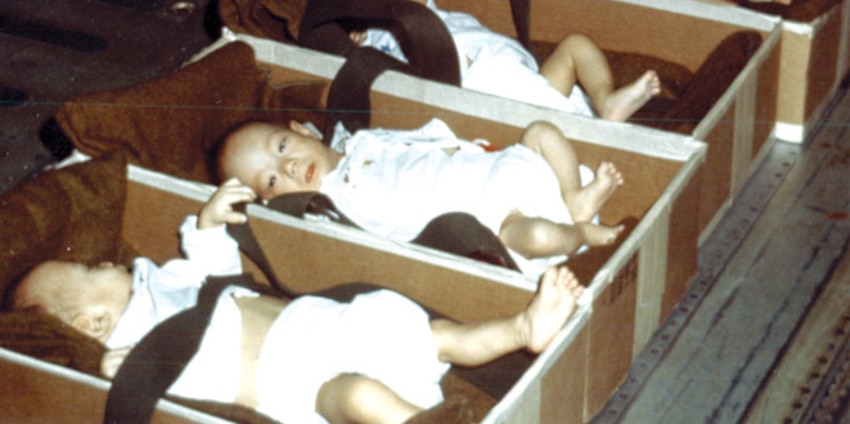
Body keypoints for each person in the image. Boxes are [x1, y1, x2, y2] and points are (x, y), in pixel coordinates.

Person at [8, 178, 585, 424]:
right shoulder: (132, 340)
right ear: (92, 320)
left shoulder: (163, 279)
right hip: (295, 381)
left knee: (439, 335)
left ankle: (519, 331)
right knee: (354, 396)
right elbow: (134, 381)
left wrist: (208, 225)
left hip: (329, 322)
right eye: (89, 268)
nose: (107, 259)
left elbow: (213, 271)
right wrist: (116, 368)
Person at [218, 117, 626, 279]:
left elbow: (425, 141)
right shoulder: (328, 207)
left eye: (283, 146)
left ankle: (574, 198)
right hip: (491, 221)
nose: (287, 167)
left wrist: (470, 148)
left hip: (492, 168)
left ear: (303, 129)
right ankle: (580, 235)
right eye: (271, 180)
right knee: (539, 238)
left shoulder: (364, 139)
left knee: (541, 132)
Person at [352, 0, 661, 120]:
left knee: (576, 44)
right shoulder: (379, 37)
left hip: (530, 77)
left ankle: (606, 100)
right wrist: (357, 41)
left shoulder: (449, 14)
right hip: (479, 91)